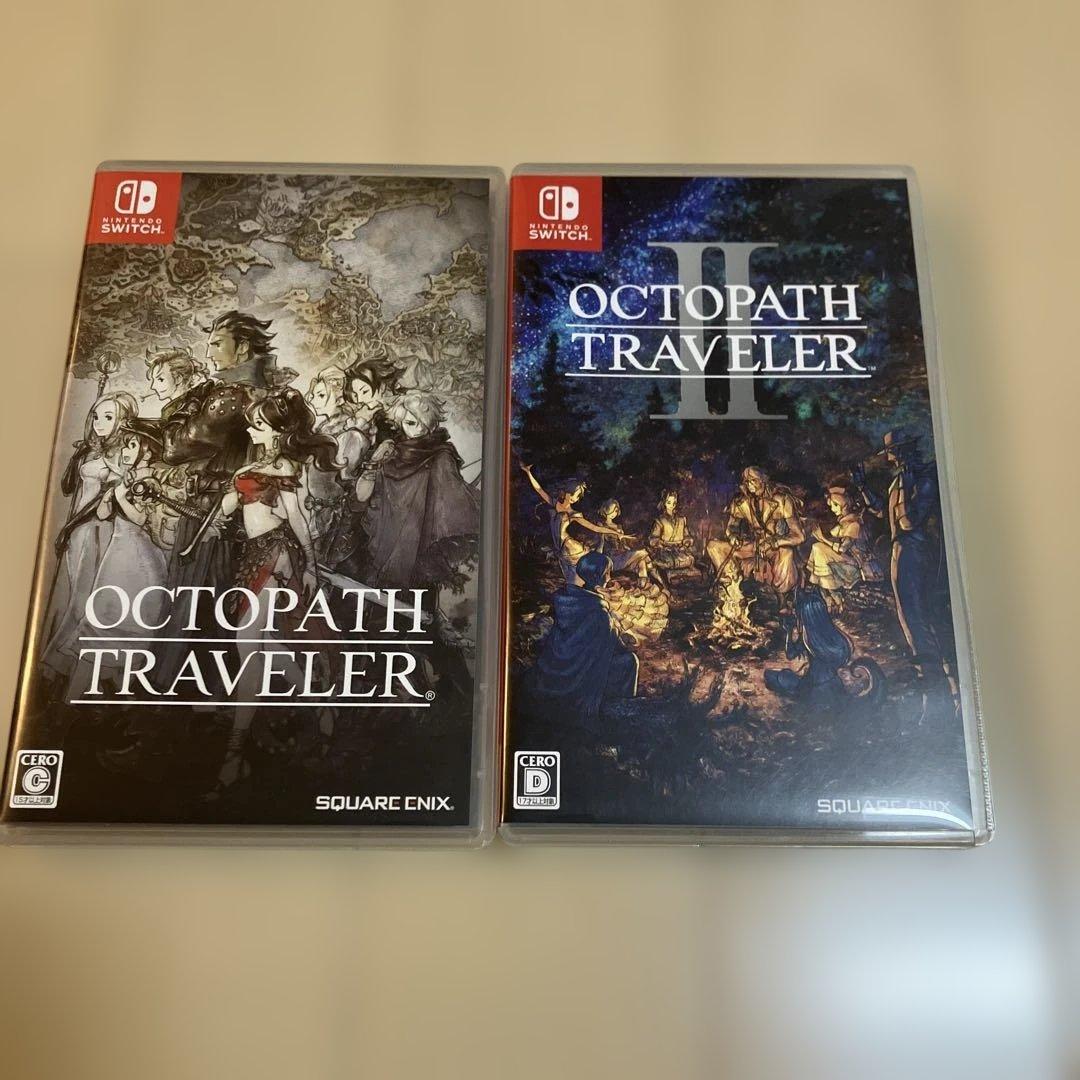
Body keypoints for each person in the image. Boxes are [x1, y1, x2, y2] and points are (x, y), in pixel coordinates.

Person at [210, 388, 339, 793]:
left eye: (258, 425)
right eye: (252, 423)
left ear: (278, 431)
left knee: (247, 648)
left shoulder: (284, 466)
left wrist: (311, 566)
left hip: (275, 556)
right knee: (264, 647)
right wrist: (220, 508)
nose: (251, 430)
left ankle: (233, 753)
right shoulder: (254, 465)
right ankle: (320, 705)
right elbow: (230, 507)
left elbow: (297, 518)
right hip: (251, 556)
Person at [41, 392, 138, 682]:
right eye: (96, 416)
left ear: (123, 420)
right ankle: (60, 661)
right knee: (71, 591)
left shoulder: (122, 455)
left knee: (83, 596)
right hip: (78, 528)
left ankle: (64, 663)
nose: (99, 422)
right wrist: (78, 454)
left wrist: (70, 526)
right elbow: (68, 486)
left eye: (108, 417)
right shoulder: (93, 449)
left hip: (97, 527)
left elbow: (103, 502)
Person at [69, 424, 171, 696]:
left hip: (141, 562)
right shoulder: (124, 480)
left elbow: (142, 518)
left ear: (147, 452)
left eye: (132, 445)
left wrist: (119, 498)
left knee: (129, 623)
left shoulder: (152, 481)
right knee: (102, 620)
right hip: (117, 557)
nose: (125, 450)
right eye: (125, 444)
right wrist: (109, 498)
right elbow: (103, 515)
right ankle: (82, 699)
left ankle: (117, 697)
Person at [852, 429, 956, 693]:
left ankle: (941, 682)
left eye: (892, 452)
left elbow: (908, 522)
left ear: (902, 451)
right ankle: (932, 679)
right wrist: (863, 487)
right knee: (909, 618)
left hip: (915, 553)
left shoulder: (923, 481)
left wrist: (907, 488)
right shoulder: (900, 480)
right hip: (902, 552)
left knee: (918, 618)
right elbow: (880, 511)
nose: (889, 457)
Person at [355, 389, 480, 593]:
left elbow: (454, 503)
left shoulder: (441, 455)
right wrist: (374, 463)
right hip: (382, 535)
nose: (419, 429)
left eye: (424, 423)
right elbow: (362, 496)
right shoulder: (390, 450)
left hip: (419, 544)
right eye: (411, 423)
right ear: (400, 421)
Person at [520, 551, 639, 722]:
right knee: (630, 661)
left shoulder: (567, 599)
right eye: (607, 573)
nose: (610, 577)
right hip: (582, 672)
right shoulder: (598, 612)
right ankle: (621, 711)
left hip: (561, 665)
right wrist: (626, 642)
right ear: (598, 576)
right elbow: (612, 645)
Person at [705, 466, 805, 599]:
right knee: (713, 546)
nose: (750, 485)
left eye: (753, 480)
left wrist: (775, 542)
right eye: (747, 481)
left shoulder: (782, 500)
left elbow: (799, 536)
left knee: (787, 553)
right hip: (753, 547)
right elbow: (731, 527)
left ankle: (781, 595)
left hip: (774, 548)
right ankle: (731, 584)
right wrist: (733, 536)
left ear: (763, 480)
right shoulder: (741, 503)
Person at [520, 466, 628, 584]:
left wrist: (615, 532)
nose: (575, 499)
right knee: (573, 579)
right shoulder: (555, 503)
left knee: (582, 571)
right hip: (561, 548)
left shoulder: (574, 514)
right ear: (567, 492)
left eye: (577, 497)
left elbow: (595, 528)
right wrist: (528, 472)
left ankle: (601, 576)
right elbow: (539, 490)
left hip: (569, 547)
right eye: (574, 495)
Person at [304, 364, 369, 558]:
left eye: (321, 395)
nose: (312, 399)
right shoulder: (320, 429)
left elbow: (346, 478)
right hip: (310, 508)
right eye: (314, 394)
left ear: (339, 399)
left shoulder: (350, 434)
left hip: (328, 514)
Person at [806, 484, 883, 610]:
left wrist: (822, 539)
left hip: (859, 566)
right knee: (817, 547)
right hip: (849, 561)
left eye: (835, 505)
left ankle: (832, 592)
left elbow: (842, 549)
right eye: (831, 505)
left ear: (845, 505)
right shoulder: (844, 522)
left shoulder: (854, 524)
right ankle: (830, 593)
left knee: (819, 548)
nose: (832, 509)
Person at [596, 498, 670, 594]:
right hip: (613, 559)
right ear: (605, 509)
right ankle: (663, 586)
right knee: (644, 553)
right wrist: (598, 560)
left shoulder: (618, 527)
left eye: (616, 510)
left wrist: (629, 549)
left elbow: (624, 546)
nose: (614, 513)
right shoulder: (601, 526)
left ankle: (644, 588)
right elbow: (601, 544)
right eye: (612, 510)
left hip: (623, 555)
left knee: (642, 562)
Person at [648, 489, 696, 573]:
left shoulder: (682, 519)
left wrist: (685, 545)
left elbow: (687, 536)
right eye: (669, 502)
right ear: (664, 503)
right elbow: (653, 539)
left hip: (680, 550)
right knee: (669, 563)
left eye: (674, 502)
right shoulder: (660, 520)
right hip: (665, 551)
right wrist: (661, 546)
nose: (672, 505)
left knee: (690, 559)